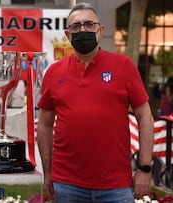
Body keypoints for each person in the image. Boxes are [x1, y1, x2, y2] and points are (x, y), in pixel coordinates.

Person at [36, 2, 154, 203]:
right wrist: (47, 173)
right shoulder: (54, 73)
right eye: (76, 26)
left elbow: (145, 117)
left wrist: (144, 168)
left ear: (101, 30)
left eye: (89, 24)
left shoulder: (123, 66)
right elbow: (45, 124)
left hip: (116, 186)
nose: (83, 30)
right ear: (67, 34)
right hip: (67, 184)